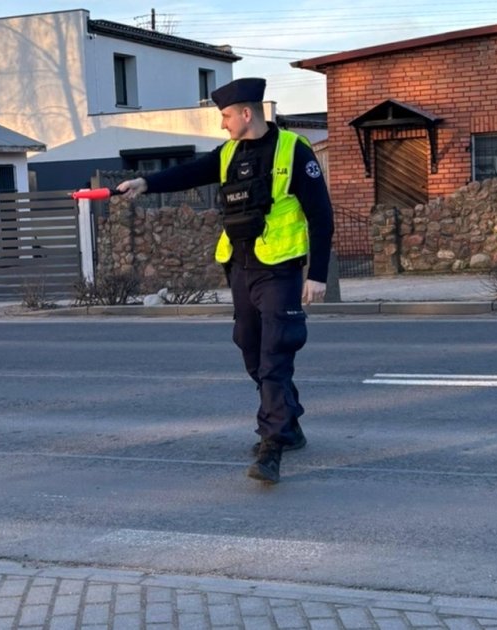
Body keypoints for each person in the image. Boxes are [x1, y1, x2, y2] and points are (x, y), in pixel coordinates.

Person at [117, 77, 334, 485]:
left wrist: (317, 274)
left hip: (280, 269)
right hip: (239, 266)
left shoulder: (293, 149)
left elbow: (321, 215)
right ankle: (288, 422)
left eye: (226, 116)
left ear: (246, 114)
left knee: (275, 354)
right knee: (251, 351)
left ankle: (272, 445)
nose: (223, 124)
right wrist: (146, 182)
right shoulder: (229, 153)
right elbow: (191, 171)